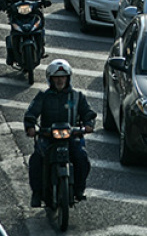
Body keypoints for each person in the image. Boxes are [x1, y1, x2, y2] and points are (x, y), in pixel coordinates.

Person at [24, 60, 96, 207]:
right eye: (56, 77)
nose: (60, 80)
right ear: (50, 78)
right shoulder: (43, 96)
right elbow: (31, 113)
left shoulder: (76, 96)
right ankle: (37, 193)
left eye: (63, 76)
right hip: (48, 138)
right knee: (36, 160)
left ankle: (79, 189)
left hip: (71, 137)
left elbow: (88, 113)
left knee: (82, 158)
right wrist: (30, 127)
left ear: (68, 78)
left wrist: (89, 124)